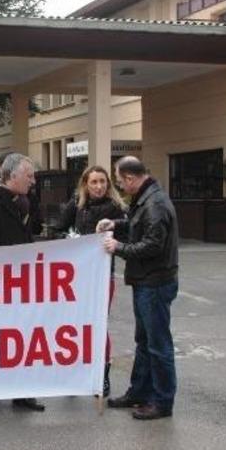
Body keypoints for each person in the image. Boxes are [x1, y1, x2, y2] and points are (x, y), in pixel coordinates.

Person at [97, 156, 179, 420]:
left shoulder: (154, 203)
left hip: (154, 282)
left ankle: (162, 401)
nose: (120, 186)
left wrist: (118, 247)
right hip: (147, 281)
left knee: (157, 345)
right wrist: (115, 224)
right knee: (144, 342)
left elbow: (152, 245)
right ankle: (140, 392)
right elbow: (136, 225)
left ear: (131, 178)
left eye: (120, 181)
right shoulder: (146, 197)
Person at [0, 153, 45, 414]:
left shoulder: (25, 200)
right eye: (29, 176)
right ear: (12, 176)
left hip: (22, 281)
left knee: (21, 337)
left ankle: (21, 391)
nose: (33, 181)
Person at [57, 165, 127, 397]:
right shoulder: (77, 205)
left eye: (103, 182)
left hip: (102, 275)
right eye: (94, 182)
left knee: (99, 324)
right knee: (74, 325)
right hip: (76, 276)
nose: (99, 186)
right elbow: (57, 230)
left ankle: (102, 375)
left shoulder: (116, 208)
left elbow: (127, 236)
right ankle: (74, 374)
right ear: (85, 184)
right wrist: (70, 238)